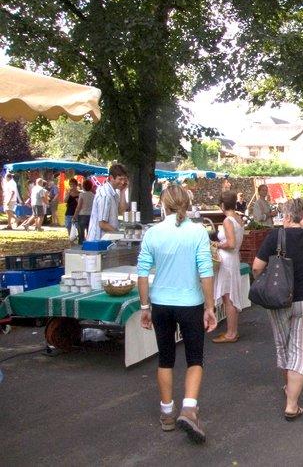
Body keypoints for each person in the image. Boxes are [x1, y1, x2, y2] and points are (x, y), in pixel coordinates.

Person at [137, 185, 217, 443]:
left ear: (164, 204)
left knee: (165, 358)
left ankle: (167, 412)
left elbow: (142, 273)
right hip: (190, 303)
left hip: (161, 303)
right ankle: (189, 408)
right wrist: (210, 306)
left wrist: (145, 307)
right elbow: (206, 271)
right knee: (195, 358)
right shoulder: (197, 232)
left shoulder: (153, 233)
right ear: (187, 203)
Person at [252, 200, 303, 421]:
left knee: (284, 346)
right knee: (301, 350)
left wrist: (265, 283)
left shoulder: (276, 237)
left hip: (279, 301)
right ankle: (292, 404)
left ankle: (289, 388)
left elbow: (257, 267)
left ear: (287, 217)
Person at [211, 192, 247, 344]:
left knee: (228, 297)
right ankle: (232, 331)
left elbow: (231, 243)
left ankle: (231, 333)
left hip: (227, 260)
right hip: (233, 259)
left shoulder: (227, 221)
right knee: (231, 295)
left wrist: (216, 244)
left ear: (222, 205)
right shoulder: (239, 218)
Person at [87, 164, 129, 241]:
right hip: (98, 241)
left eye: (124, 179)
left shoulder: (113, 193)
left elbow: (121, 211)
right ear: (111, 178)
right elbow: (102, 224)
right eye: (120, 179)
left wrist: (123, 192)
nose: (123, 182)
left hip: (106, 240)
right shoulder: (105, 195)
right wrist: (121, 236)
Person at [73, 179, 95, 245]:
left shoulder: (82, 195)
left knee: (81, 233)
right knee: (90, 232)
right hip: (91, 215)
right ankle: (89, 244)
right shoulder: (93, 195)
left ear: (83, 186)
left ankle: (81, 245)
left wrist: (75, 215)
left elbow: (79, 206)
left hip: (82, 214)